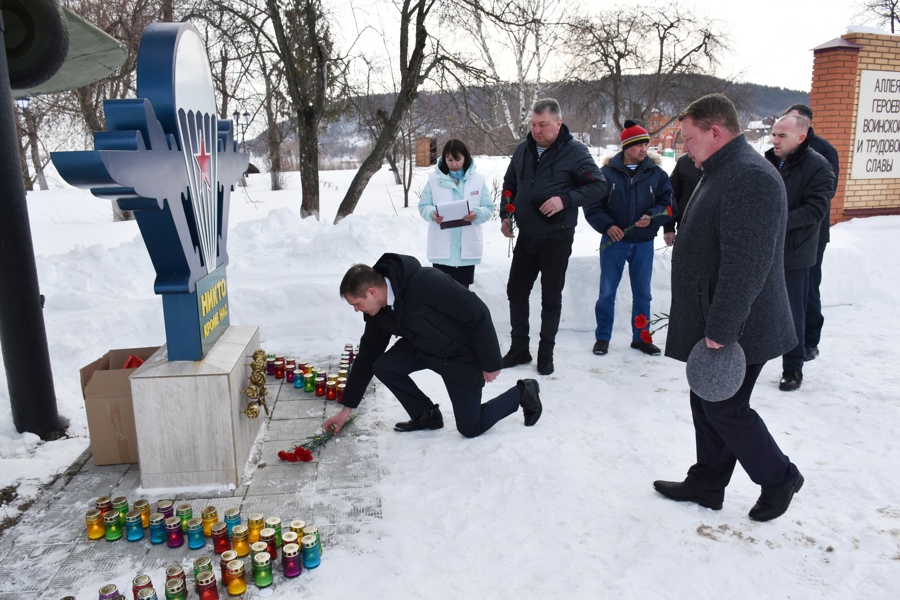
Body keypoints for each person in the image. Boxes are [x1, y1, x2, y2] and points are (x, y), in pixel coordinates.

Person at [653, 94, 804, 522]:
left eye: (688, 138)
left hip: (740, 323)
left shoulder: (748, 177)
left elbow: (746, 265)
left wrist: (722, 327)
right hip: (715, 313)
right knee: (706, 400)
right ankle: (707, 482)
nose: (685, 147)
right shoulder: (722, 168)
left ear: (714, 132)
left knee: (724, 407)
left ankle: (779, 477)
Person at [324, 253, 542, 438]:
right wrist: (346, 409)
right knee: (382, 365)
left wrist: (491, 362)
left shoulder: (425, 282)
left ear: (372, 292)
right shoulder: (376, 313)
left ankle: (524, 392)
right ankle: (425, 415)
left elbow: (477, 312)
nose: (356, 310)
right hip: (423, 349)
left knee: (470, 427)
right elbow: (367, 357)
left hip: (460, 356)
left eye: (356, 304)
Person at [500, 98, 607, 376]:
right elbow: (510, 185)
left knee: (550, 297)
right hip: (527, 236)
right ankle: (519, 348)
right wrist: (505, 214)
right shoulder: (522, 150)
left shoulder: (575, 152)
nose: (537, 130)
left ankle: (545, 353)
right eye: (534, 124)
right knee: (516, 291)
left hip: (556, 238)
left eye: (543, 125)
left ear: (558, 123)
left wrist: (566, 199)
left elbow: (599, 186)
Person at [584, 120, 674, 356]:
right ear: (626, 147)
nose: (644, 148)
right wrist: (608, 226)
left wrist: (652, 218)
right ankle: (602, 337)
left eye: (646, 144)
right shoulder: (605, 174)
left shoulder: (658, 174)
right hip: (614, 242)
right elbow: (593, 206)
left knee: (643, 293)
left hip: (643, 244)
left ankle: (641, 338)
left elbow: (669, 204)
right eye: (638, 145)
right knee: (606, 292)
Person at [764, 114, 834, 391]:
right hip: (762, 249)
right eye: (774, 134)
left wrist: (777, 220)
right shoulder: (767, 161)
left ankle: (792, 368)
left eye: (782, 136)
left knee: (793, 312)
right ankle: (745, 361)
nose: (775, 140)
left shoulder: (818, 167)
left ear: (801, 138)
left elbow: (816, 209)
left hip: (794, 252)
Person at [783, 104, 840, 363]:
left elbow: (823, 197)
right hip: (783, 233)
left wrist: (787, 216)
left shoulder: (824, 152)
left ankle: (809, 341)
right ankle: (785, 339)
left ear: (805, 126)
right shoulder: (778, 152)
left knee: (807, 289)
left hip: (811, 235)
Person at [417, 139, 493, 288]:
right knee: (441, 295)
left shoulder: (478, 180)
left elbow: (488, 208)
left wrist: (476, 214)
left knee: (462, 296)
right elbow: (423, 206)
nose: (454, 164)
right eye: (449, 159)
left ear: (465, 157)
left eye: (458, 159)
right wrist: (432, 213)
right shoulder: (434, 180)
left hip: (467, 253)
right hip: (442, 252)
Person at [662, 152, 703, 247]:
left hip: (717, 234)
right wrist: (668, 227)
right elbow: (671, 196)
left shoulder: (726, 162)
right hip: (685, 229)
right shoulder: (684, 162)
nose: (685, 147)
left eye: (689, 139)